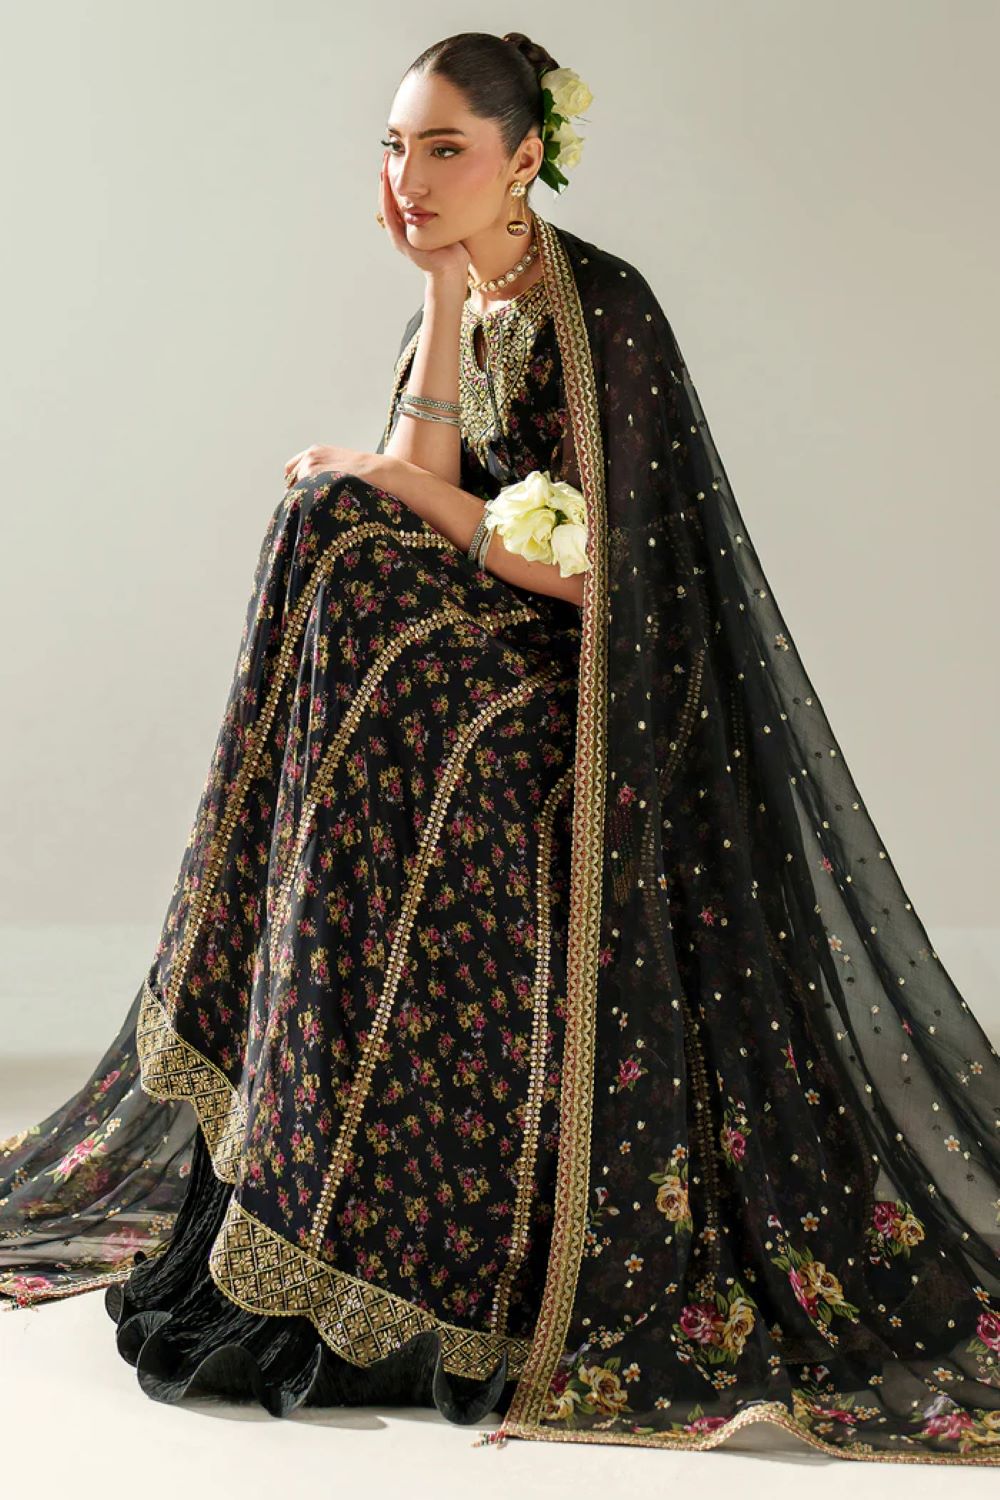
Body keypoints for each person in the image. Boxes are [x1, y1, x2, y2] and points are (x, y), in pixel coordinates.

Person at [1, 29, 998, 1466]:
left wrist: (410, 496)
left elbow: (609, 573)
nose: (408, 177)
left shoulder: (608, 311)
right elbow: (419, 482)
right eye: (393, 148)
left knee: (347, 533)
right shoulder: (463, 296)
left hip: (591, 684)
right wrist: (437, 296)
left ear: (524, 157)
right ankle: (290, 1022)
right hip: (483, 645)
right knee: (331, 531)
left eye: (444, 150)